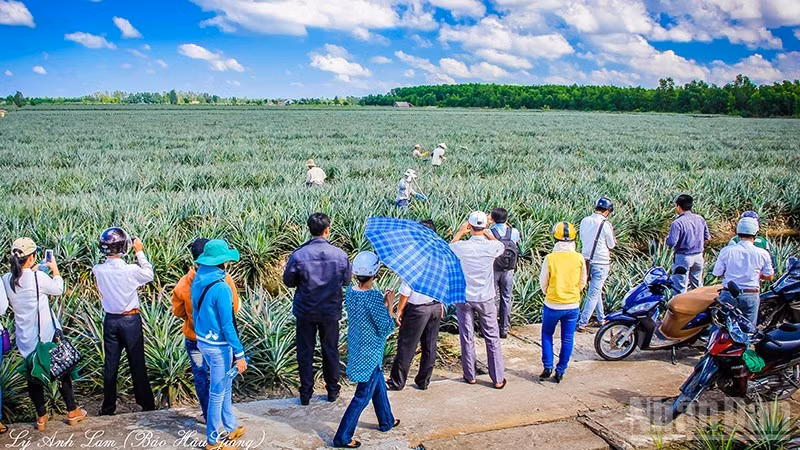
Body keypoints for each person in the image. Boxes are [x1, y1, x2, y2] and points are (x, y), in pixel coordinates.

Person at [3, 238, 87, 431]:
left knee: (33, 376)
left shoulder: (6, 279)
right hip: (45, 336)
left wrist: (34, 272)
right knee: (61, 369)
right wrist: (55, 269)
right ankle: (72, 412)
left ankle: (41, 418)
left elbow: (21, 285)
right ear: (31, 258)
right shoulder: (38, 278)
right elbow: (58, 289)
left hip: (25, 337)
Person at [283, 213, 351, 405]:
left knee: (305, 351)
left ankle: (305, 393)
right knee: (330, 350)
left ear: (309, 229)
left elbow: (289, 281)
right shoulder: (340, 254)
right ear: (327, 230)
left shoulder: (298, 255)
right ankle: (332, 391)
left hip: (306, 310)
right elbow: (346, 280)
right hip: (330, 310)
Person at [333, 251, 399, 448]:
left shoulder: (351, 292)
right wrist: (390, 304)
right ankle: (342, 437)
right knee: (361, 397)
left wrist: (383, 301)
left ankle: (386, 420)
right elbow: (387, 327)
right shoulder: (374, 298)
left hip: (358, 347)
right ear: (375, 274)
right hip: (370, 353)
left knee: (378, 385)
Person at [172, 238, 240, 424]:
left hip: (194, 339)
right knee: (221, 380)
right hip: (218, 341)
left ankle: (207, 414)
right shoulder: (224, 280)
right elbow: (233, 309)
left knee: (201, 377)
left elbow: (177, 311)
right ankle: (221, 422)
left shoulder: (183, 283)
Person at [92, 227, 156, 416]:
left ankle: (108, 406)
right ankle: (146, 404)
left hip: (110, 319)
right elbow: (148, 274)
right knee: (137, 362)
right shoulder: (130, 270)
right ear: (123, 247)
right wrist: (139, 251)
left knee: (111, 364)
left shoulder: (98, 270)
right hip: (130, 320)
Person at [191, 239, 247, 450]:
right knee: (217, 392)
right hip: (219, 347)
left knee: (224, 386)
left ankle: (231, 426)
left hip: (203, 341)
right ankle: (212, 441)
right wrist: (239, 354)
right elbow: (227, 325)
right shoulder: (221, 287)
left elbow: (195, 312)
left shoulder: (198, 278)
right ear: (223, 262)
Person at [450, 211, 506, 389]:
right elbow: (500, 246)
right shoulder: (491, 248)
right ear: (485, 226)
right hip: (486, 297)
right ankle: (497, 378)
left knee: (467, 336)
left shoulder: (462, 247)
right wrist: (488, 233)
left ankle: (470, 375)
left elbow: (449, 247)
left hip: (465, 297)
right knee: (492, 337)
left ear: (470, 225)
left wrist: (460, 232)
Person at [388, 219, 445, 391]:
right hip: (435, 305)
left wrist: (399, 310)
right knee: (430, 345)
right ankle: (423, 381)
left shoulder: (414, 255)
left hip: (417, 308)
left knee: (407, 345)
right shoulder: (441, 253)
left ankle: (397, 382)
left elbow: (406, 289)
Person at [539, 223, 587, 383]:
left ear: (555, 238)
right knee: (567, 338)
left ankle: (547, 366)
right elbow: (583, 282)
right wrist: (574, 293)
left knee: (547, 334)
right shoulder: (579, 258)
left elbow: (543, 282)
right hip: (572, 304)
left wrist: (549, 293)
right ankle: (560, 371)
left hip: (552, 303)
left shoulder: (550, 258)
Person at [712, 217, 774, 325]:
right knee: (748, 330)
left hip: (729, 294)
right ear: (755, 233)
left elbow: (717, 273)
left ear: (738, 233)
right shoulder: (762, 253)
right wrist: (758, 275)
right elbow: (770, 276)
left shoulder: (727, 251)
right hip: (750, 295)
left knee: (721, 326)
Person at [577, 197, 616, 332]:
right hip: (601, 262)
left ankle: (601, 318)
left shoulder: (584, 221)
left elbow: (582, 238)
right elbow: (611, 244)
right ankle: (583, 322)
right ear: (607, 211)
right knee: (594, 293)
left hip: (586, 261)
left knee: (595, 290)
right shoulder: (605, 224)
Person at [666, 194, 710, 293]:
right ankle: (698, 307)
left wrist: (666, 239)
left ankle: (680, 307)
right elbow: (707, 236)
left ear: (678, 207)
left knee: (680, 287)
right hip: (699, 256)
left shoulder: (677, 223)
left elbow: (672, 242)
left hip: (683, 257)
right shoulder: (700, 219)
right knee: (697, 286)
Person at [488, 208, 520, 339]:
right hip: (509, 269)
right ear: (506, 219)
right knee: (506, 298)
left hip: (494, 268)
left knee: (493, 298)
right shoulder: (514, 232)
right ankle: (504, 329)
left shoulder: (489, 232)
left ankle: (492, 328)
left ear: (493, 219)